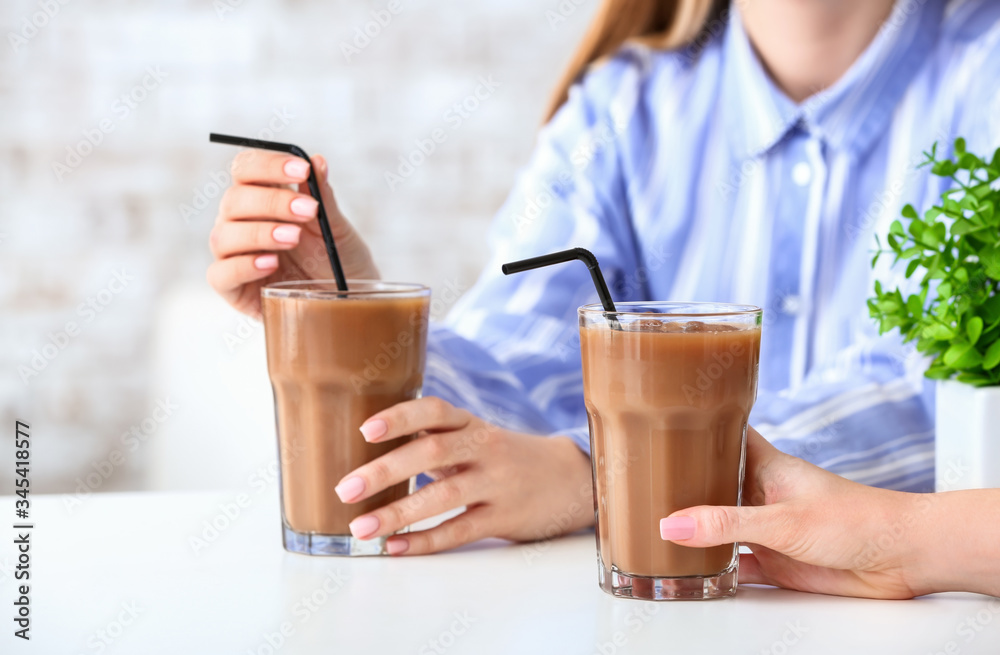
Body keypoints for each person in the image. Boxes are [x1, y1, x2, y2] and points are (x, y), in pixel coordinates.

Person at [206, 0, 1000, 592]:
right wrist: (358, 312)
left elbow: (948, 396)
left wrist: (594, 473)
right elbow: (518, 366)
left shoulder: (985, 75)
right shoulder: (622, 109)